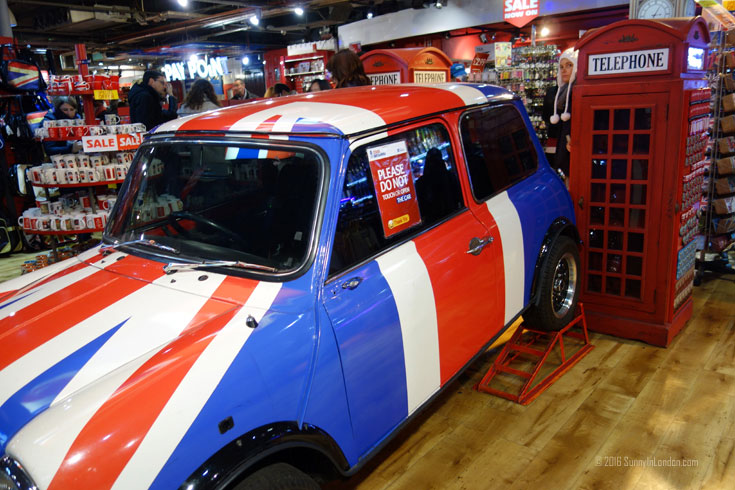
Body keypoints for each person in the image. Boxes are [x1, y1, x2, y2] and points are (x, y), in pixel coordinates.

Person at [542, 48, 578, 179]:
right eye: (561, 66)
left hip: (572, 147)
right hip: (560, 143)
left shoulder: (577, 91)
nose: (564, 70)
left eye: (569, 65)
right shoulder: (558, 92)